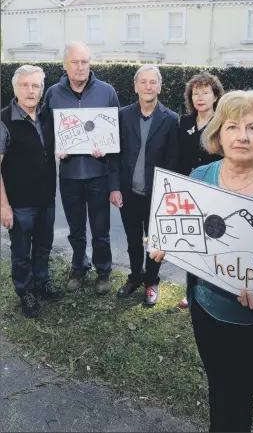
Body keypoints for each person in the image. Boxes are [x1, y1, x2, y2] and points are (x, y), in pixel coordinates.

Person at [149, 90, 253, 432]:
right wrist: (166, 243)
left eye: (252, 128)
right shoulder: (201, 179)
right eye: (232, 127)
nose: (242, 136)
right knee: (218, 387)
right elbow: (192, 237)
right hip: (206, 310)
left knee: (239, 399)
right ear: (218, 133)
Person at [44, 41, 122, 295]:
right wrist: (55, 147)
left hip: (98, 173)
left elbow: (115, 133)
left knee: (101, 230)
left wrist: (107, 148)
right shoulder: (53, 94)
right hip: (69, 175)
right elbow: (46, 131)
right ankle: (79, 267)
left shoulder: (107, 91)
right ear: (65, 65)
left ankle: (103, 271)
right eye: (74, 62)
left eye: (85, 62)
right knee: (76, 229)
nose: (80, 67)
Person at [1, 65, 64, 318]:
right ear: (15, 88)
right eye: (25, 85)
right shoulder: (4, 120)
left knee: (43, 246)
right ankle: (25, 291)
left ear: (42, 89)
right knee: (20, 252)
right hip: (19, 203)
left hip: (46, 198)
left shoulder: (48, 115)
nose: (30, 90)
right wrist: (3, 206)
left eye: (36, 85)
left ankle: (41, 282)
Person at [117, 64, 179, 307]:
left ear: (160, 86)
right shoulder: (123, 115)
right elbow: (116, 155)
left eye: (153, 82)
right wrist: (115, 188)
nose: (148, 86)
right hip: (129, 192)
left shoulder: (171, 119)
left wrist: (168, 197)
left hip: (157, 196)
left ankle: (151, 282)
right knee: (133, 239)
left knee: (155, 242)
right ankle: (134, 277)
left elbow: (173, 160)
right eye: (143, 81)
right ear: (135, 86)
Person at [178, 71, 224, 308]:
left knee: (214, 244)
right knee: (191, 244)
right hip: (188, 194)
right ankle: (190, 291)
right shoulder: (184, 122)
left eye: (205, 92)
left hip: (215, 194)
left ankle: (213, 293)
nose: (200, 98)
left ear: (215, 96)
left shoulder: (223, 124)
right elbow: (178, 157)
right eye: (195, 93)